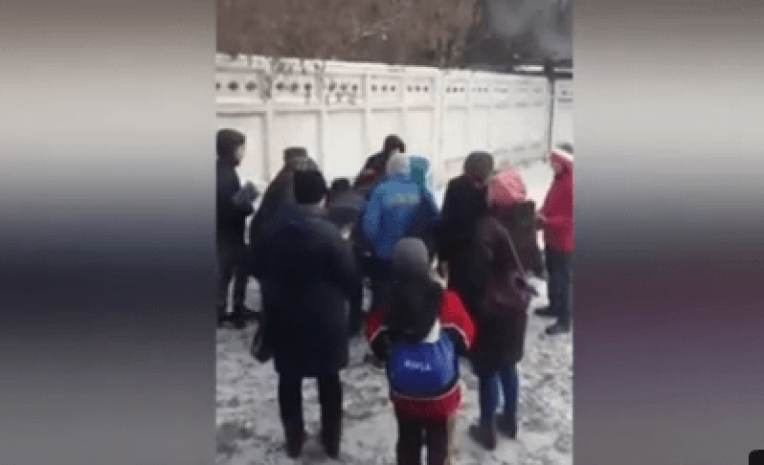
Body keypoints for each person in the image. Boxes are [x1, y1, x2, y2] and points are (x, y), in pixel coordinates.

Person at [253, 168, 357, 460]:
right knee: (329, 380)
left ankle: (294, 439)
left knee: (289, 378)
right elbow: (350, 279)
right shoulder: (332, 234)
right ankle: (331, 440)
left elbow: (256, 267)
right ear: (323, 196)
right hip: (326, 319)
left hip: (284, 317)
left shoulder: (273, 231)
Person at [366, 238, 475, 465]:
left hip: (404, 392)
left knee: (407, 440)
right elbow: (466, 339)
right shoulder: (446, 300)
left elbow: (375, 338)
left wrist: (391, 352)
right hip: (441, 393)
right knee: (439, 441)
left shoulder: (386, 303)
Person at [458, 206, 535, 450]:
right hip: (514, 311)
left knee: (488, 371)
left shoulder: (477, 234)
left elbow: (474, 281)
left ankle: (487, 428)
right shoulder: (501, 229)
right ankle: (509, 419)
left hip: (491, 314)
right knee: (508, 366)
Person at [361, 153, 439, 311]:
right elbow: (434, 222)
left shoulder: (380, 191)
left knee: (383, 303)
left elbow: (369, 227)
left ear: (389, 169)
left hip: (385, 258)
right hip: (415, 257)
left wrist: (373, 247)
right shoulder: (421, 191)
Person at [216, 129, 259, 328]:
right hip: (229, 235)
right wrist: (248, 203)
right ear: (232, 149)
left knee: (229, 272)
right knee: (233, 271)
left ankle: (228, 309)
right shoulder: (226, 174)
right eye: (241, 149)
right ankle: (232, 311)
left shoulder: (222, 170)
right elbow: (229, 207)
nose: (243, 153)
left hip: (226, 234)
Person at [437, 151, 494, 290]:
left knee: (458, 293)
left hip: (457, 255)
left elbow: (445, 223)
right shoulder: (486, 191)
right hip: (477, 255)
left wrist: (442, 256)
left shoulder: (455, 186)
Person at [535, 145, 574, 335]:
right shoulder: (559, 179)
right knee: (553, 275)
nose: (551, 164)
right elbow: (550, 203)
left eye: (555, 161)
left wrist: (548, 221)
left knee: (564, 281)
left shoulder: (572, 183)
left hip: (565, 242)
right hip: (551, 238)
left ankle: (565, 320)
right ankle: (554, 306)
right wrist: (540, 214)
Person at [248, 147, 309, 258]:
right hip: (272, 241)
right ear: (296, 163)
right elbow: (289, 216)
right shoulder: (289, 182)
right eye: (304, 163)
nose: (306, 167)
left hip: (264, 236)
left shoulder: (283, 178)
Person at [325, 177, 365, 336]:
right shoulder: (361, 202)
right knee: (356, 290)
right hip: (357, 250)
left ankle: (336, 323)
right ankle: (355, 326)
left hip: (337, 253)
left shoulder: (331, 208)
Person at [488, 166, 544, 277]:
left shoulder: (495, 219)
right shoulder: (527, 210)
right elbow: (538, 225)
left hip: (511, 273)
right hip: (534, 266)